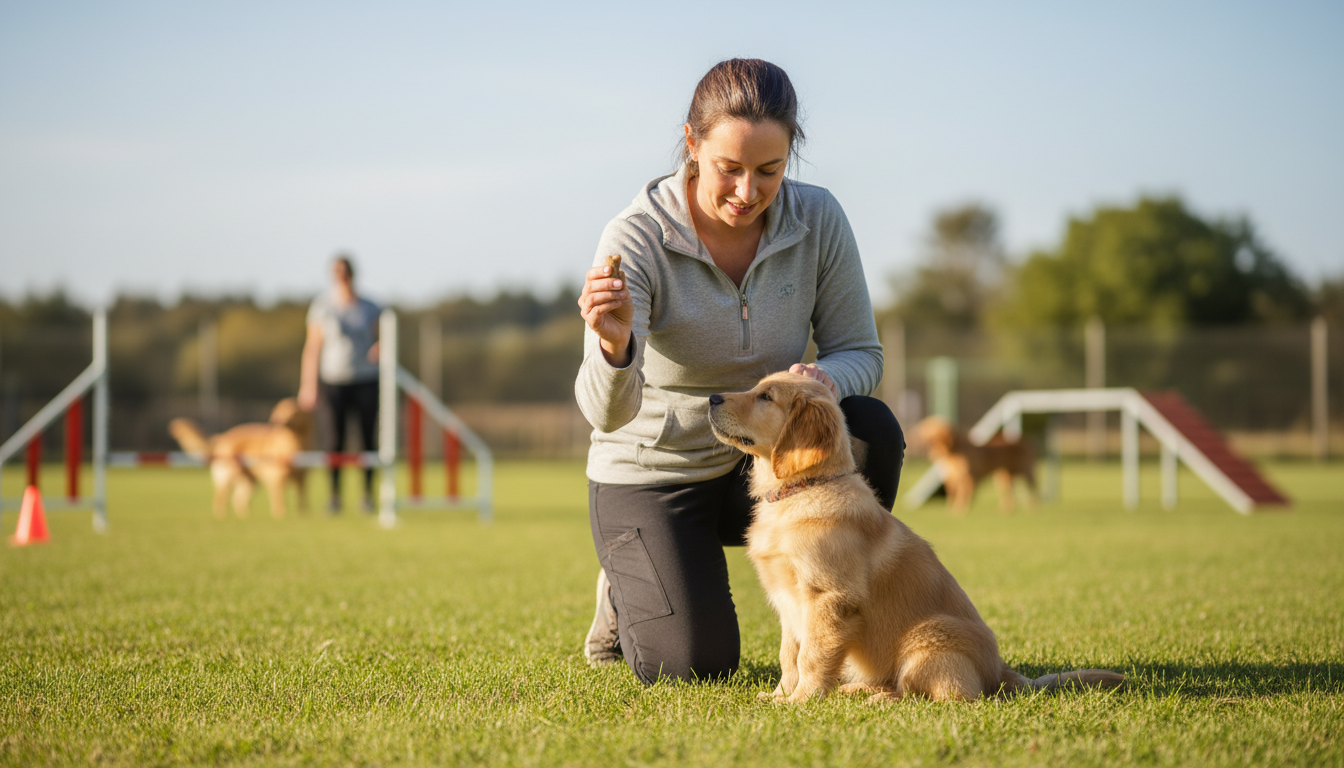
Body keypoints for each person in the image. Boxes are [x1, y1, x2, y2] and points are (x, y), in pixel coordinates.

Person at [575, 58, 905, 684]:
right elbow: (607, 414)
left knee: (869, 427)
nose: (747, 192)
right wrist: (616, 349)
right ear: (692, 145)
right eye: (729, 168)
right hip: (656, 474)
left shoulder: (820, 220)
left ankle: (835, 616)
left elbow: (863, 352)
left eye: (769, 171)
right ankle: (626, 580)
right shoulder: (637, 237)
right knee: (697, 667)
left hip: (766, 473)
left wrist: (826, 381)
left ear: (791, 159)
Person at [298, 254, 381, 513]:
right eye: (338, 273)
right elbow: (313, 347)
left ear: (353, 275)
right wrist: (308, 385)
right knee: (335, 439)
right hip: (333, 380)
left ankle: (367, 496)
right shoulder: (322, 307)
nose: (342, 278)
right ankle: (334, 496)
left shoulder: (371, 307)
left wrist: (381, 347)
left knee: (367, 439)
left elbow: (384, 338)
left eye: (346, 273)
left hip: (367, 379)